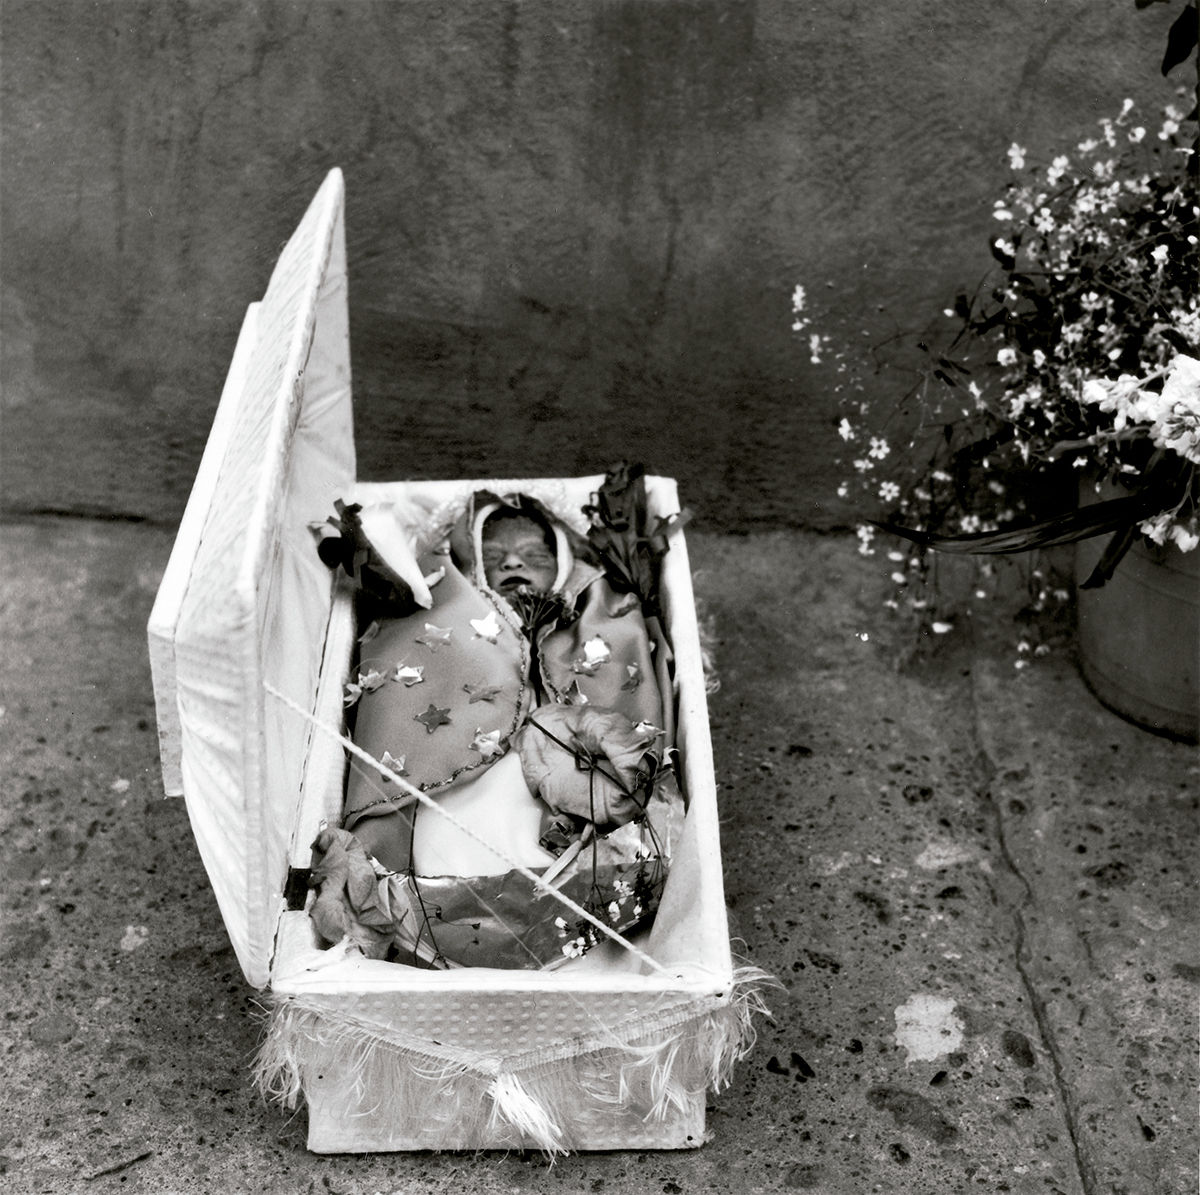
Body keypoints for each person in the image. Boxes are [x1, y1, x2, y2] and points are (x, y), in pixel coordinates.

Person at [310, 488, 683, 970]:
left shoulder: (608, 616)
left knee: (579, 829)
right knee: (461, 831)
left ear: (568, 563)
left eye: (534, 555)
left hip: (572, 775)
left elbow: (629, 690)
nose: (513, 564)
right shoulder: (440, 606)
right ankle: (458, 923)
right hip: (455, 772)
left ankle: (582, 944)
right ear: (469, 565)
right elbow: (401, 691)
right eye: (494, 556)